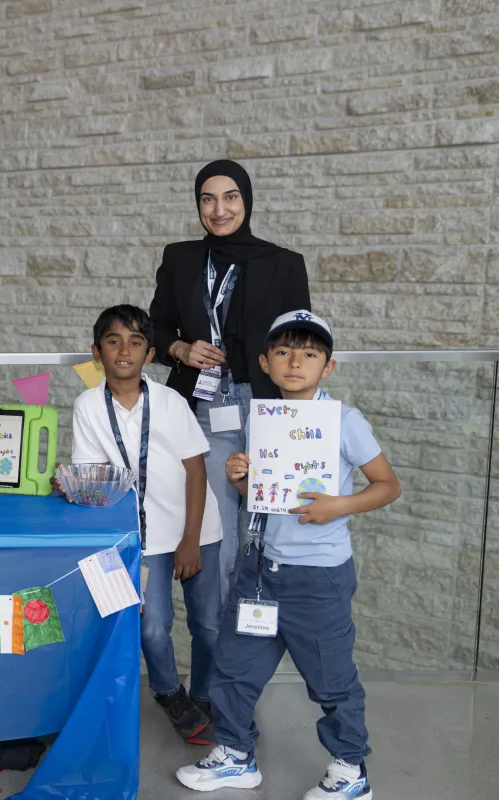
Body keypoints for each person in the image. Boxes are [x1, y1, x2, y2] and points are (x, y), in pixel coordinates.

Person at [176, 311, 400, 800]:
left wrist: (338, 505)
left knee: (330, 678)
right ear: (265, 362)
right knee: (234, 667)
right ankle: (235, 755)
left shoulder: (344, 420)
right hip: (259, 567)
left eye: (310, 353)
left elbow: (388, 486)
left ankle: (350, 770)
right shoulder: (263, 417)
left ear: (329, 367)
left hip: (317, 575)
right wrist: (240, 477)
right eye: (283, 352)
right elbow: (262, 493)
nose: (295, 362)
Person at [149, 159, 311, 606]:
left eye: (230, 197)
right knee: (213, 529)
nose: (219, 209)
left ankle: (252, 636)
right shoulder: (180, 258)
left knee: (261, 527)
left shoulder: (284, 264)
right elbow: (156, 327)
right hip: (204, 407)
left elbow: (300, 342)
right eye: (208, 198)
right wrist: (181, 349)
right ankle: (217, 647)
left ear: (247, 200)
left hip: (268, 407)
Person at [65, 305, 224, 744]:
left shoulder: (170, 402)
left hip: (196, 527)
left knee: (208, 623)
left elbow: (196, 471)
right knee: (151, 625)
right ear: (97, 352)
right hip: (138, 536)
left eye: (136, 342)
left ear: (149, 353)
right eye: (114, 341)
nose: (124, 350)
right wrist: (72, 487)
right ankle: (170, 692)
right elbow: (94, 475)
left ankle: (207, 695)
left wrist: (190, 540)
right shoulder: (86, 406)